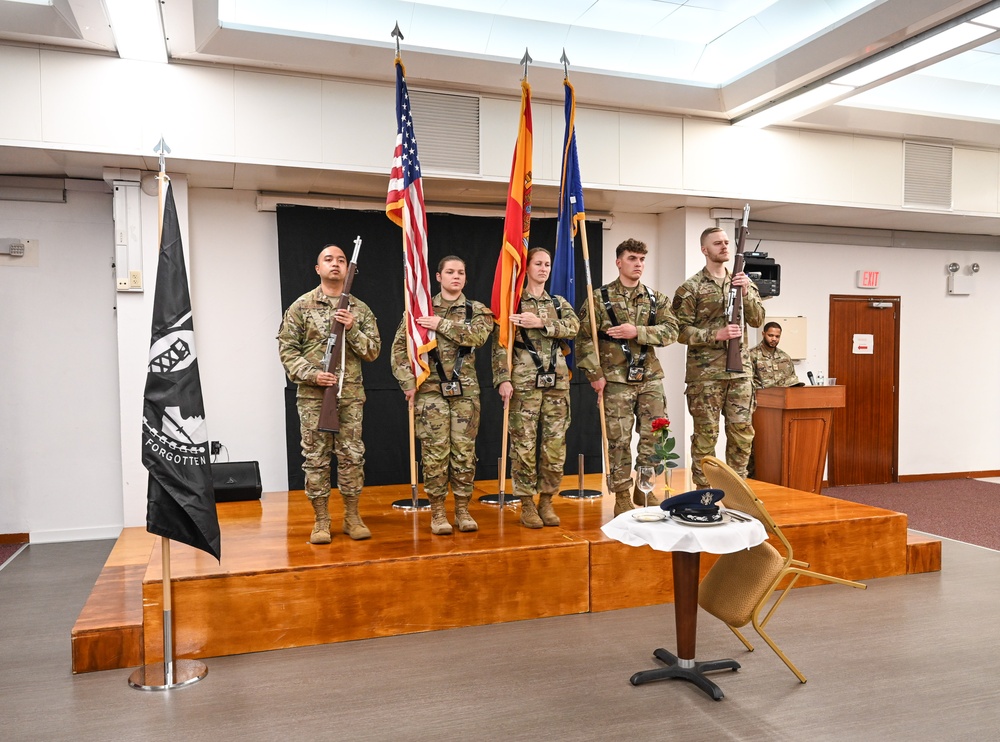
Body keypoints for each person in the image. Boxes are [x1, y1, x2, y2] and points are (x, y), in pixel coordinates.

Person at [277, 244, 381, 544]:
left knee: (351, 457)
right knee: (316, 459)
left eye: (341, 260)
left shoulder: (359, 309)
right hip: (313, 397)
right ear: (317, 268)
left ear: (348, 269)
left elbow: (373, 351)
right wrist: (313, 375)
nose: (335, 264)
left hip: (349, 397)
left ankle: (352, 516)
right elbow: (287, 350)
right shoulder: (301, 306)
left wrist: (354, 329)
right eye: (328, 259)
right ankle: (321, 520)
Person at [391, 256, 493, 535]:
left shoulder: (477, 310)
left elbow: (478, 337)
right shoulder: (420, 309)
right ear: (438, 276)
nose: (456, 276)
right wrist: (407, 382)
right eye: (450, 272)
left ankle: (462, 509)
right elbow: (400, 348)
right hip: (430, 391)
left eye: (461, 272)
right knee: (435, 453)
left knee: (464, 453)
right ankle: (437, 511)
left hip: (465, 393)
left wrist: (441, 325)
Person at [576, 238, 679, 516]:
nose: (638, 264)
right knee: (618, 439)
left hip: (649, 377)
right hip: (615, 378)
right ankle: (621, 493)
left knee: (655, 435)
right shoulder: (599, 298)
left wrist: (639, 332)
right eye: (633, 258)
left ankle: (644, 486)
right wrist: (594, 374)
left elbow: (672, 331)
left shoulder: (656, 299)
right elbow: (584, 339)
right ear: (619, 261)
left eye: (642, 259)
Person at [492, 248, 580, 528]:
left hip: (556, 383)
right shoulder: (514, 303)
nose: (543, 269)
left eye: (547, 264)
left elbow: (574, 326)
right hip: (524, 382)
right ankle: (527, 503)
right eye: (538, 264)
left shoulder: (557, 302)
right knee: (524, 446)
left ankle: (546, 500)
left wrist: (541, 322)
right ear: (526, 268)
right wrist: (502, 379)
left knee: (555, 445)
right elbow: (501, 345)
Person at [672, 226, 765, 488]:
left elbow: (758, 320)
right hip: (706, 376)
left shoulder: (742, 282)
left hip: (740, 374)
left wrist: (746, 292)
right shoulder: (691, 288)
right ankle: (703, 494)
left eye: (726, 242)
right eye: (717, 243)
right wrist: (716, 334)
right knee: (706, 437)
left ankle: (738, 492)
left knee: (742, 435)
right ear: (705, 250)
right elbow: (678, 331)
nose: (724, 247)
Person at [749, 321, 801, 389]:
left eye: (777, 336)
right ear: (763, 334)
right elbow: (747, 384)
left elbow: (793, 383)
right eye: (770, 335)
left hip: (783, 397)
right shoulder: (751, 355)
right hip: (761, 397)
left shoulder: (785, 357)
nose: (774, 339)